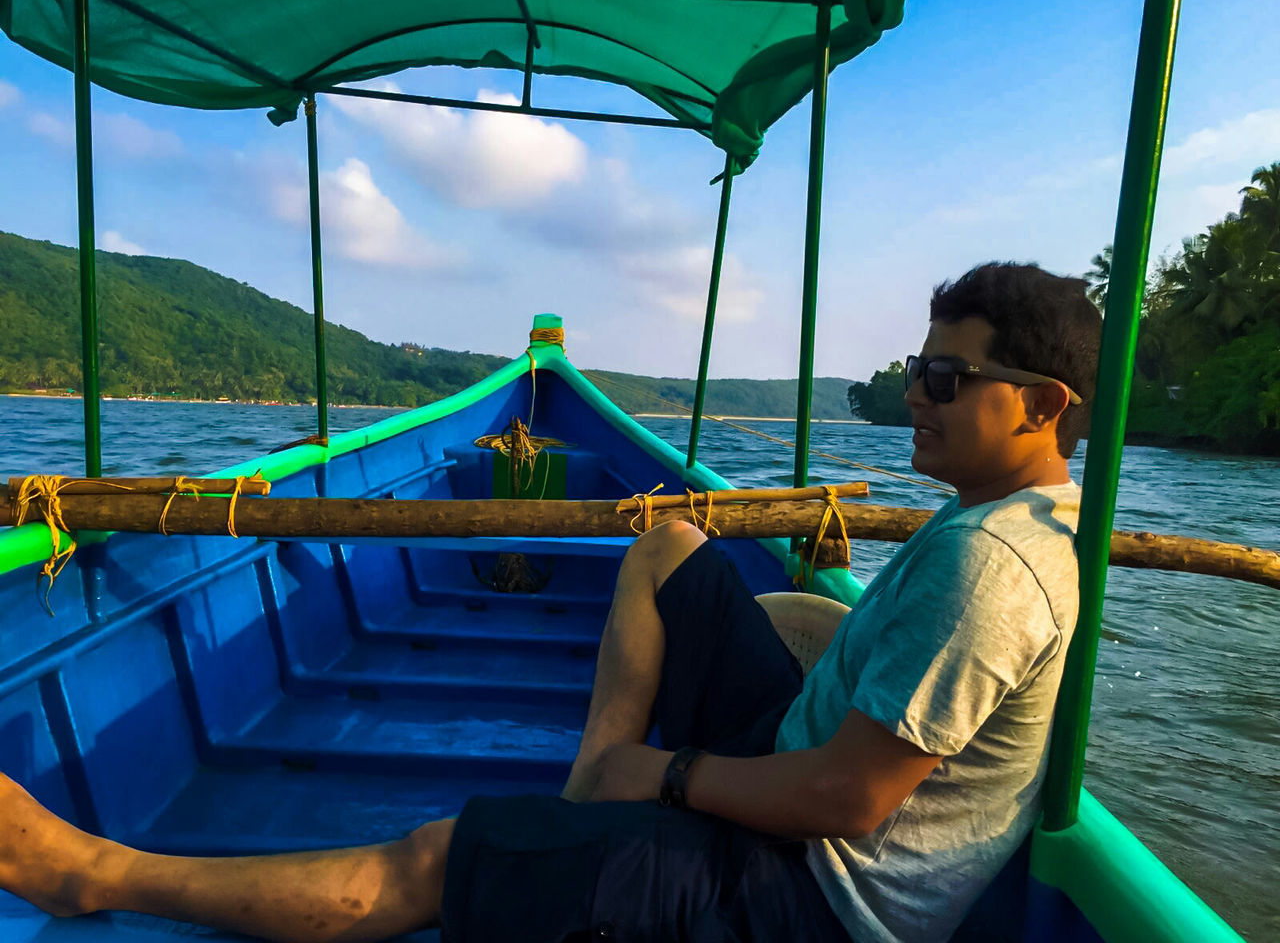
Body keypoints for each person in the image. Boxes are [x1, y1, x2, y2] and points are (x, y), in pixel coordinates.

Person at [0, 262, 1102, 943]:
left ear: (1043, 406)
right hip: (801, 759)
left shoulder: (989, 569)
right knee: (667, 540)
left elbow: (848, 803)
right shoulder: (1009, 522)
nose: (914, 396)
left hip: (809, 898)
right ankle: (589, 790)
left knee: (437, 860)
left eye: (944, 381)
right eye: (915, 370)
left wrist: (666, 775)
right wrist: (627, 772)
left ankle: (91, 875)